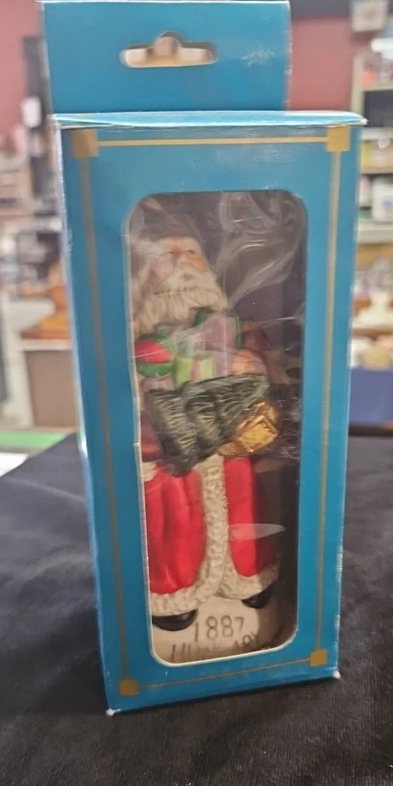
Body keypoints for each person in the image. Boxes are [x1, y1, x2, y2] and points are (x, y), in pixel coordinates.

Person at [131, 211, 279, 632]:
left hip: (229, 444)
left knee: (243, 510)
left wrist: (252, 365)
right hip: (172, 450)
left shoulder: (234, 327)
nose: (182, 262)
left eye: (191, 252)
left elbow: (264, 370)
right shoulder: (139, 336)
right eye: (166, 255)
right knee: (176, 522)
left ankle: (248, 576)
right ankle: (177, 592)